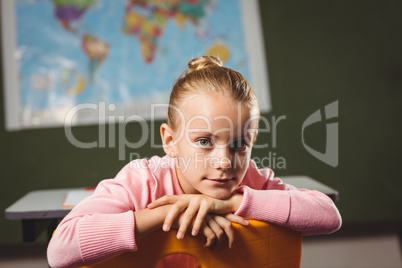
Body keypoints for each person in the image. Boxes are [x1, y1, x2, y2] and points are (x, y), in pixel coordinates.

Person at [47, 56, 341, 268]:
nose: (225, 161)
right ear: (170, 141)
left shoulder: (251, 180)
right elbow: (60, 250)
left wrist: (231, 204)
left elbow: (328, 216)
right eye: (204, 142)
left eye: (240, 144)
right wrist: (172, 212)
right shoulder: (143, 181)